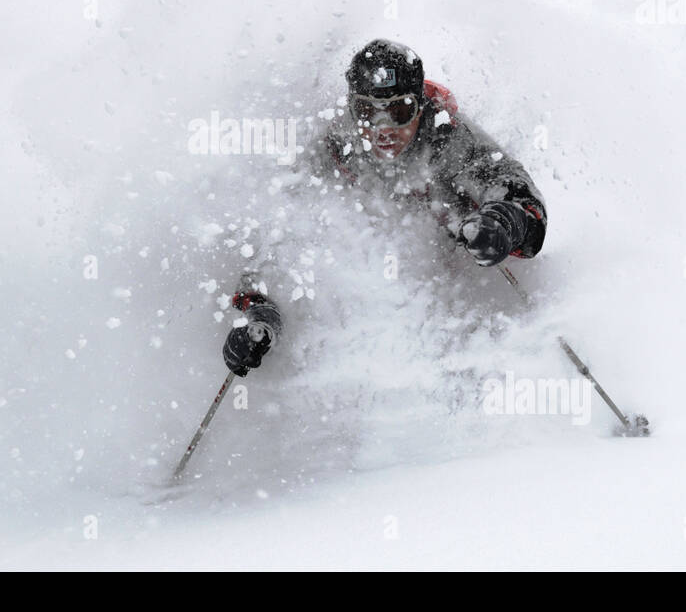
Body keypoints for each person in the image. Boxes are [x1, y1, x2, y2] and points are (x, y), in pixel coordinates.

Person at [223, 39, 548, 376]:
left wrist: (504, 223)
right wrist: (259, 308)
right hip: (363, 328)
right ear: (351, 107)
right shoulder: (336, 145)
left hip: (450, 297)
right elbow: (281, 226)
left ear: (420, 106)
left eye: (399, 111)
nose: (383, 129)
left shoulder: (448, 138)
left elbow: (520, 196)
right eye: (367, 112)